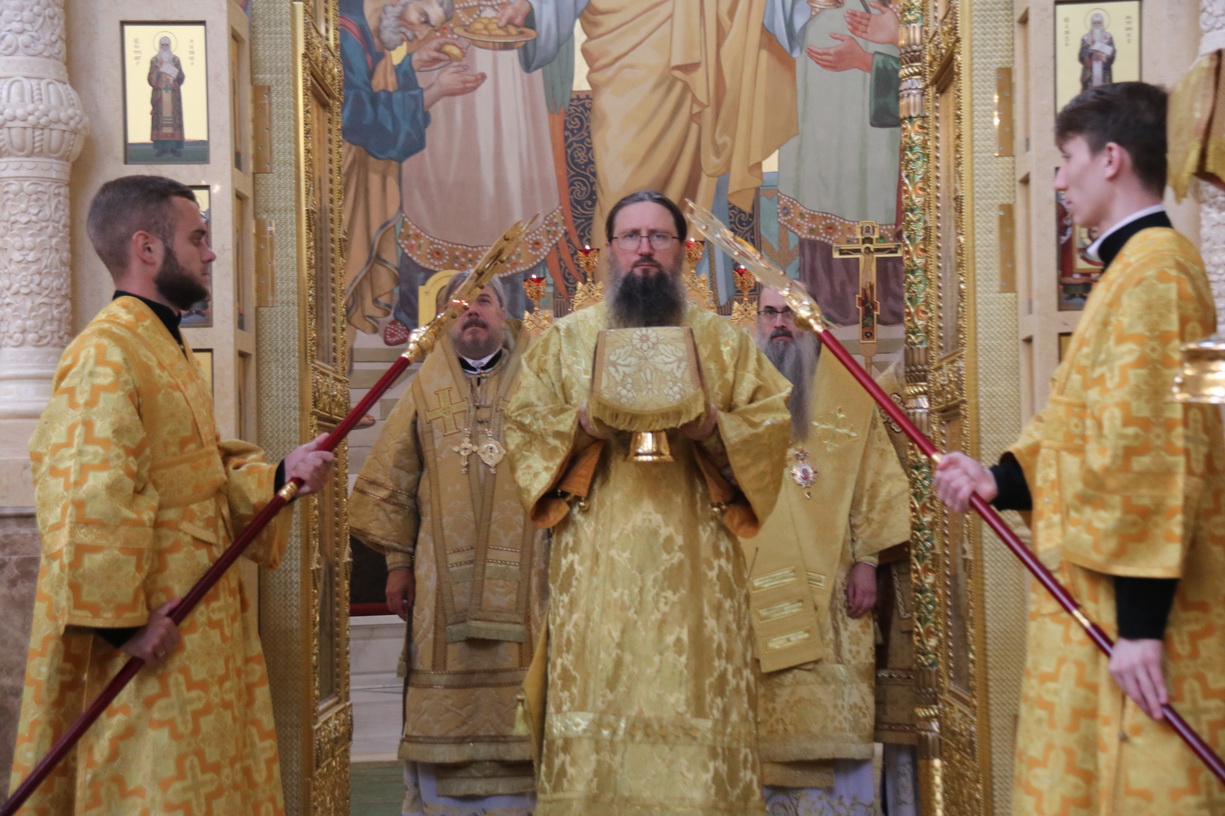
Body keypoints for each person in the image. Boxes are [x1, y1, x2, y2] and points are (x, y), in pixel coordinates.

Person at [934, 82, 1225, 815]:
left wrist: (1140, 627)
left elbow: (1157, 449)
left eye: (1067, 159)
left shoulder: (1158, 274)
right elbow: (1084, 426)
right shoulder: (1142, 270)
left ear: (1111, 159)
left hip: (1138, 615)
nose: (1059, 179)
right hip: (1112, 597)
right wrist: (1000, 479)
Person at [9, 175, 335, 815]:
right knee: (154, 787)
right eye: (198, 237)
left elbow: (199, 475)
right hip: (157, 621)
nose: (210, 253)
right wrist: (125, 625)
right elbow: (84, 492)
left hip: (199, 616)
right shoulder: (106, 351)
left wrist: (280, 475)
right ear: (147, 247)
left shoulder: (162, 341)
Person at [504, 190, 792, 815]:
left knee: (696, 697)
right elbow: (523, 429)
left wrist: (713, 429)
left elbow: (771, 427)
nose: (644, 249)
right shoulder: (566, 340)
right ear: (609, 250)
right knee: (599, 698)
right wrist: (582, 425)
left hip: (698, 570)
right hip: (596, 566)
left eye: (658, 237)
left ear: (682, 250)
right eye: (630, 236)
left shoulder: (723, 342)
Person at [349, 272, 545, 815]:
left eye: (483, 300)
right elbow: (396, 482)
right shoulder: (423, 390)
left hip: (531, 578)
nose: (471, 311)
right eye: (457, 305)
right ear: (442, 323)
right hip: (439, 585)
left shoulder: (541, 381)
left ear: (503, 315)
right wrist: (397, 564)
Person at [746, 287, 910, 812]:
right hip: (750, 578)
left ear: (811, 325)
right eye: (770, 313)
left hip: (835, 580)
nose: (780, 324)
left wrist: (868, 561)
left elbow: (874, 481)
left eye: (790, 315)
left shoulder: (848, 394)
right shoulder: (736, 389)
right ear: (757, 320)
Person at [504, 0, 796, 235]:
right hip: (622, 66)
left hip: (692, 59)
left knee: (692, 191)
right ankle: (620, 285)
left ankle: (688, 282)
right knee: (622, 187)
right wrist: (530, 6)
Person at [339, 0, 484, 340]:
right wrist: (433, 92)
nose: (420, 34)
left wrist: (413, 62)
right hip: (332, 188)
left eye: (430, 28)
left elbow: (374, 83)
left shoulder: (365, 30)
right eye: (422, 18)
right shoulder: (344, 32)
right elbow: (358, 117)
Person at [147, 36, 186, 157]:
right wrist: (158, 75)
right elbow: (150, 77)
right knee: (161, 121)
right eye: (163, 45)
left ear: (170, 46)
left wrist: (174, 76)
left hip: (173, 95)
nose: (165, 47)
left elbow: (181, 76)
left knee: (173, 121)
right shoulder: (155, 60)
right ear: (159, 46)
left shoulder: (176, 60)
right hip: (160, 94)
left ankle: (174, 148)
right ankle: (161, 148)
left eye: (166, 45)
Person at [1078, 12, 1115, 91]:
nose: (1096, 25)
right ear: (1091, 24)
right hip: (1089, 74)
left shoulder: (1108, 37)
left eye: (1099, 23)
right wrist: (1089, 53)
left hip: (1104, 74)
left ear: (1102, 23)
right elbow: (1081, 56)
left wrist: (1103, 56)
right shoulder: (1086, 38)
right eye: (1094, 23)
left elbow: (1112, 54)